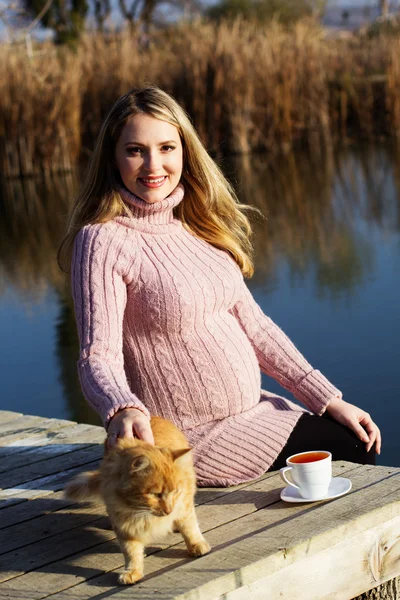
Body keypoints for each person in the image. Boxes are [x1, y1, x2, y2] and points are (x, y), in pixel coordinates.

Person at [59, 86, 381, 487]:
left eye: (166, 147)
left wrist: (328, 399)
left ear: (185, 151)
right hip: (189, 438)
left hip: (255, 414)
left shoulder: (197, 224)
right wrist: (120, 407)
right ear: (113, 157)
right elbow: (97, 355)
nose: (153, 164)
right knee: (353, 450)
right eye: (135, 150)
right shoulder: (103, 240)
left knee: (358, 437)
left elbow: (257, 328)